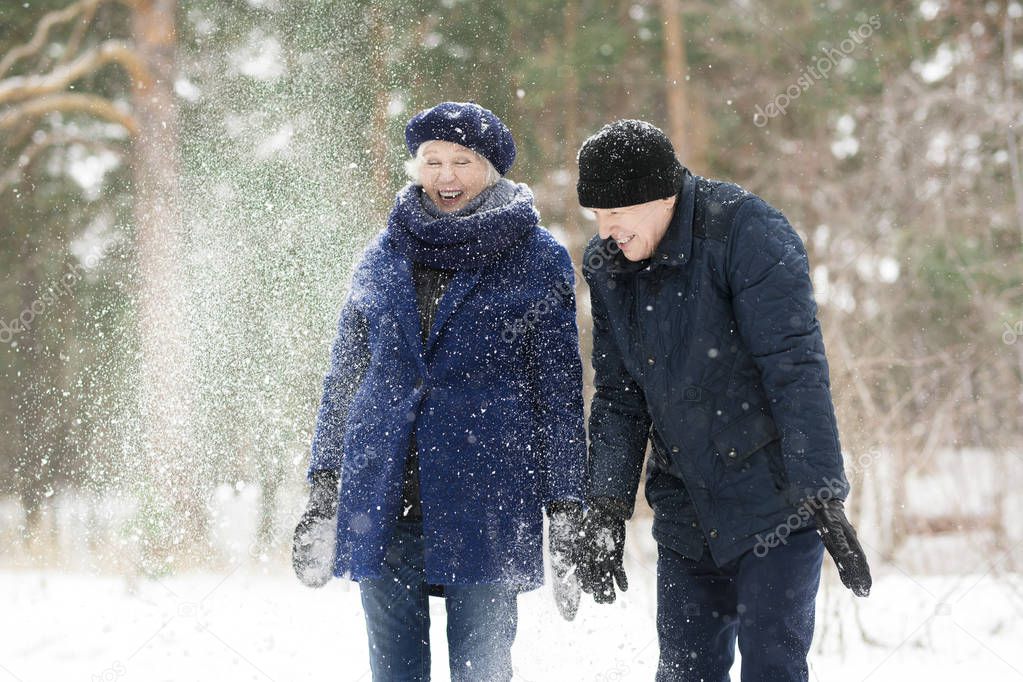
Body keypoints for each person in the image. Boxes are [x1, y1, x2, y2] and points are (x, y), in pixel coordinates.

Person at [291, 101, 587, 681]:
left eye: (461, 161)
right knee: (394, 672)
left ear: (491, 170)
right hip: (383, 498)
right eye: (432, 161)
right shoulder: (382, 254)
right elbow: (345, 378)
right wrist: (325, 487)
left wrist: (566, 510)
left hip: (488, 503)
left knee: (482, 671)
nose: (445, 176)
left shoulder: (536, 259)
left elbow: (558, 396)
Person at [572, 119, 871, 682]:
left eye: (616, 216)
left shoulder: (745, 232)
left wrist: (823, 493)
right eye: (597, 218)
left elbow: (795, 370)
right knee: (685, 671)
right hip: (686, 508)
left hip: (774, 506)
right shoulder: (609, 265)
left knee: (773, 667)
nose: (607, 231)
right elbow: (618, 397)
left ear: (662, 197)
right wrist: (608, 505)